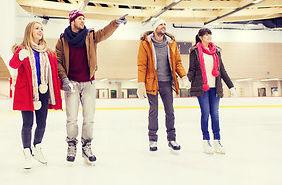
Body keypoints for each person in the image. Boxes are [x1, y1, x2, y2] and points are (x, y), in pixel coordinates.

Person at [55, 10, 127, 165]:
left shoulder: (90, 35)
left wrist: (115, 23)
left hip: (88, 83)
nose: (83, 21)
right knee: (71, 119)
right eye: (80, 18)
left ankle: (87, 146)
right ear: (72, 21)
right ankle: (71, 145)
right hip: (71, 84)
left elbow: (104, 33)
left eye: (83, 18)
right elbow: (58, 61)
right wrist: (64, 78)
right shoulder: (62, 40)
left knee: (88, 119)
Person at [9, 21, 62, 169]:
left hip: (43, 91)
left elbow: (55, 72)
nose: (40, 30)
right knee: (27, 123)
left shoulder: (48, 52)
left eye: (42, 29)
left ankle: (37, 147)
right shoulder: (22, 50)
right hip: (27, 91)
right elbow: (13, 65)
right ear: (29, 31)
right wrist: (19, 57)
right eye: (37, 28)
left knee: (42, 123)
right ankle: (27, 153)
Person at [137, 18, 190, 152]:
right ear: (155, 27)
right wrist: (140, 83)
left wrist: (183, 76)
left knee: (170, 111)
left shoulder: (171, 43)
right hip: (152, 82)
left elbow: (177, 62)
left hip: (167, 82)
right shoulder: (146, 44)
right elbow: (142, 65)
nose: (164, 26)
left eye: (165, 24)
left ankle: (172, 139)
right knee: (153, 111)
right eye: (161, 24)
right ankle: (152, 140)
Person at [187, 28, 236, 154]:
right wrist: (187, 80)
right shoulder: (195, 51)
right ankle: (205, 140)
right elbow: (192, 69)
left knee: (215, 114)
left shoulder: (216, 51)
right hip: (202, 88)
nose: (209, 36)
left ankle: (217, 141)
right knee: (206, 113)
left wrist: (231, 86)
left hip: (215, 87)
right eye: (206, 34)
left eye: (210, 34)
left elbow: (222, 70)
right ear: (201, 37)